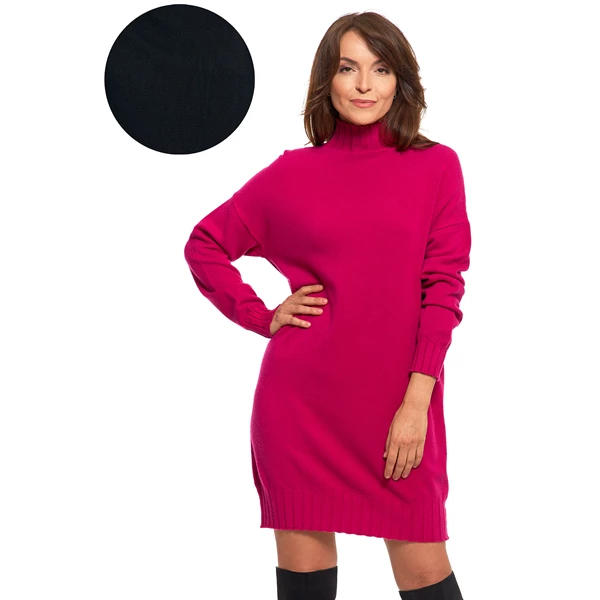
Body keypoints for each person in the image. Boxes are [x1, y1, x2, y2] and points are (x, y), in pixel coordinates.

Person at [184, 11, 470, 600]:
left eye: (381, 69)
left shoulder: (436, 166)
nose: (364, 85)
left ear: (400, 80)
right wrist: (261, 316)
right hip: (301, 412)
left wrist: (417, 401)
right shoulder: (291, 174)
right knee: (306, 585)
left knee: (424, 574)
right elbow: (205, 244)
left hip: (400, 405)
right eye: (348, 68)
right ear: (327, 79)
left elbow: (443, 288)